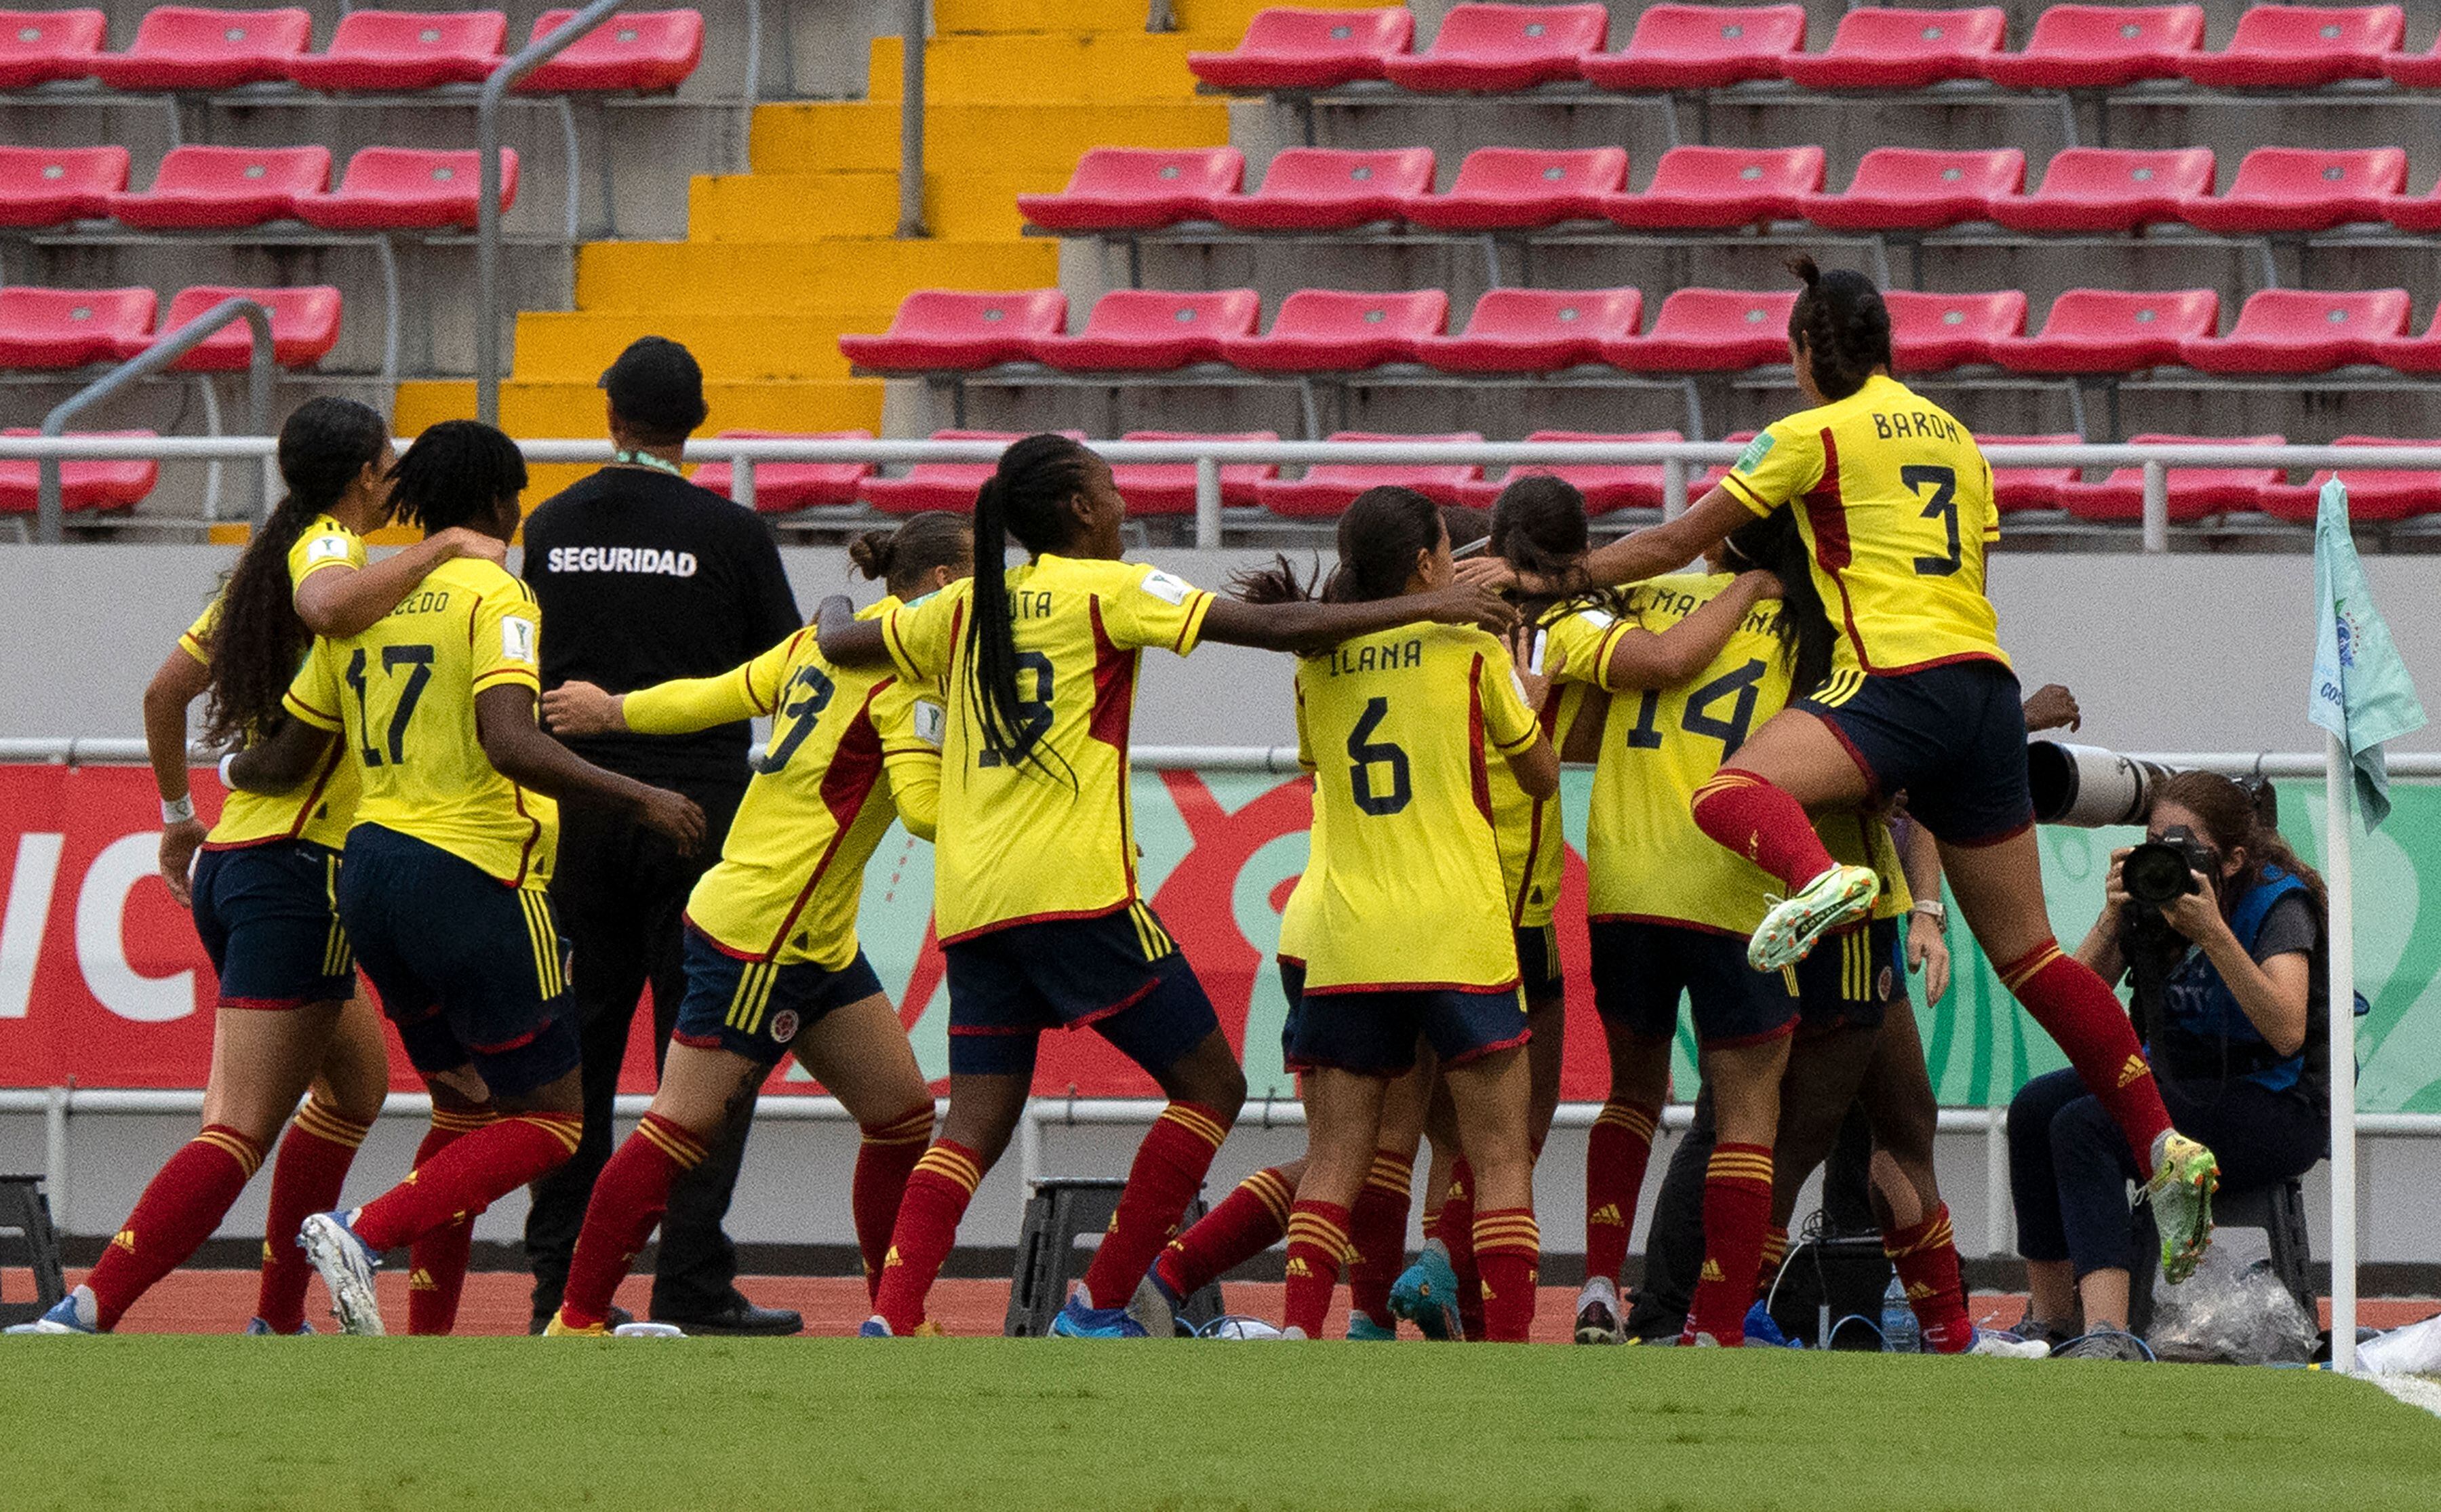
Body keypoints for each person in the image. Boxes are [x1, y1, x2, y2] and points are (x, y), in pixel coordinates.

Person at [1461, 255, 2221, 1281]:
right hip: (1985, 689)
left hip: (1891, 686)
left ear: (1807, 351)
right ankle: (2162, 1142)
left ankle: (1821, 878)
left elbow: (1685, 538)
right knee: (2036, 955)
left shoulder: (1809, 434)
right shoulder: (1956, 438)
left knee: (1734, 791)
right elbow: (1968, 581)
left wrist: (1548, 576)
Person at [815, 434, 1516, 1338]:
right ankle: (1098, 1305)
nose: (1121, 505)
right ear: (1079, 510)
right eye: (1108, 490)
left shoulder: (959, 606)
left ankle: (893, 1315)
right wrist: (1436, 604)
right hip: (1078, 891)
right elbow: (1274, 630)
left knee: (977, 1118)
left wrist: (836, 591)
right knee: (1211, 1084)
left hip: (975, 900)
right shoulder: (1108, 589)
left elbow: (839, 641)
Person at [9, 399, 505, 1338]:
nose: (394, 474)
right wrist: (442, 548)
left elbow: (164, 691)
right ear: (365, 475)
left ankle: (277, 1322)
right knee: (236, 1126)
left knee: (356, 1088)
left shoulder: (258, 570)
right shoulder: (327, 553)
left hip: (242, 860)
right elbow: (328, 602)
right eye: (387, 460)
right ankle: (86, 1308)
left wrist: (175, 817)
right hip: (297, 876)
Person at [222, 420, 703, 1336]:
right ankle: (363, 1232)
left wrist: (229, 775)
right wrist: (643, 797)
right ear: (497, 502)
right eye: (515, 499)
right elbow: (510, 739)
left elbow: (285, 756)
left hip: (368, 877)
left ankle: (429, 1338)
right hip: (475, 876)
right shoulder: (494, 591)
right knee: (555, 1120)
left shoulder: (370, 596)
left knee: (469, 1105)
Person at [534, 516, 971, 1335]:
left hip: (813, 937)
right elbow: (919, 811)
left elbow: (715, 694)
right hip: (763, 933)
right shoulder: (907, 681)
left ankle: (895, 1316)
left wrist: (613, 710)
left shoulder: (818, 646)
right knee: (679, 1125)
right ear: (947, 585)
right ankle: (579, 1318)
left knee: (903, 1113)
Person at [519, 336, 806, 1336]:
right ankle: (692, 1281)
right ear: (699, 419)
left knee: (577, 1058)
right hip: (702, 821)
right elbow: (784, 672)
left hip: (582, 814)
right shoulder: (730, 530)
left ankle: (560, 1289)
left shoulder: (549, 527)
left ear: (610, 414)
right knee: (707, 1054)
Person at [1246, 488, 1557, 1342]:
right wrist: (1530, 699)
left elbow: (1320, 769)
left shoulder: (1315, 660)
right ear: (1424, 565)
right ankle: (1512, 1355)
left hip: (1350, 940)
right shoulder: (1469, 649)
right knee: (1496, 1154)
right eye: (1447, 553)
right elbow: (1539, 777)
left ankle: (1299, 1336)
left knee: (1339, 1158)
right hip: (1458, 931)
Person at [2009, 771, 2331, 1361]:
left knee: (2086, 1126)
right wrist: (2112, 919)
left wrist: (2212, 934)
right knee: (2034, 1109)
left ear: (2231, 861)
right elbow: (2067, 1009)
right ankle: (2051, 1322)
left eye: (2183, 849)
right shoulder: (2147, 897)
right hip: (2178, 1082)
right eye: (2156, 844)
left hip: (2275, 1104)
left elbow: (2287, 1032)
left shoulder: (2277, 900)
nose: (2167, 862)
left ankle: (2108, 1336)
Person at [1388, 484, 1598, 1343]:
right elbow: (1653, 664)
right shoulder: (1550, 633)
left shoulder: (1425, 627)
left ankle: (1438, 1309)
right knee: (1515, 1131)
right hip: (1511, 903)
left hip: (1409, 905)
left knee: (1419, 1137)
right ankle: (1443, 1266)